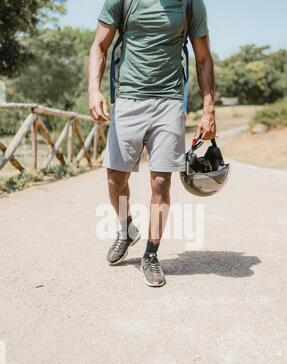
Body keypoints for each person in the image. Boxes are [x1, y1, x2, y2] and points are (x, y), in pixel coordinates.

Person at [88, 0, 216, 287]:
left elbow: (204, 58)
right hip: (128, 99)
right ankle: (125, 229)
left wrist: (209, 110)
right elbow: (99, 45)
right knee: (114, 179)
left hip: (169, 102)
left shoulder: (191, 4)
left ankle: (151, 253)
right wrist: (93, 90)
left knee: (161, 182)